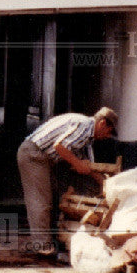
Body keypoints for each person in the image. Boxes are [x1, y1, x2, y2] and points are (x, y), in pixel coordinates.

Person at [16, 107, 118, 257]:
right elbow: (59, 145)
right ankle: (42, 246)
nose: (107, 136)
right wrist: (77, 163)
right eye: (109, 131)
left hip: (42, 157)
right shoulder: (84, 126)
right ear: (102, 123)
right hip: (33, 154)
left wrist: (105, 183)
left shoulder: (88, 139)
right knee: (40, 201)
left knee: (52, 196)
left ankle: (49, 241)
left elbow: (89, 166)